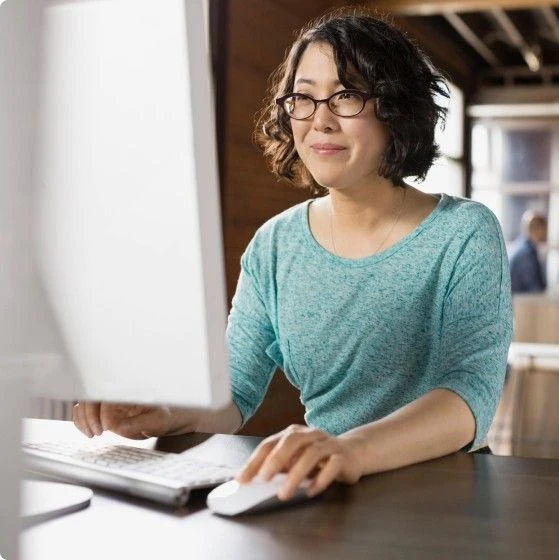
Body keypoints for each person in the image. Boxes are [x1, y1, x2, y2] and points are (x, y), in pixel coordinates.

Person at [73, 9, 513, 501]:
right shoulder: (274, 245)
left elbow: (468, 398)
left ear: (396, 107)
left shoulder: (464, 232)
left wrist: (352, 450)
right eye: (303, 97)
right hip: (327, 492)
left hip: (444, 497)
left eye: (346, 95)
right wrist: (167, 412)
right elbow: (235, 391)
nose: (320, 119)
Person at [507, 210, 547, 293]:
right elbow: (534, 290)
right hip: (520, 303)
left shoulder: (519, 245)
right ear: (538, 229)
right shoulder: (526, 254)